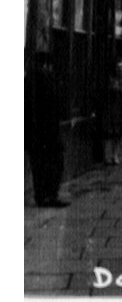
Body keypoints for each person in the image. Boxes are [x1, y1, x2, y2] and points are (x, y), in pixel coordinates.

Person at [26, 51, 69, 208]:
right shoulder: (48, 80)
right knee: (55, 164)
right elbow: (58, 104)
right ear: (46, 65)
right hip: (49, 132)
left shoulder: (27, 81)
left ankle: (41, 196)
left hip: (33, 133)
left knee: (38, 167)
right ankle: (50, 196)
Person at [104, 58, 122, 162]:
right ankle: (108, 155)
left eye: (121, 67)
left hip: (121, 108)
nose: (120, 69)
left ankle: (115, 154)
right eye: (118, 67)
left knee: (118, 132)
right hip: (112, 108)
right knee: (110, 132)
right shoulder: (111, 79)